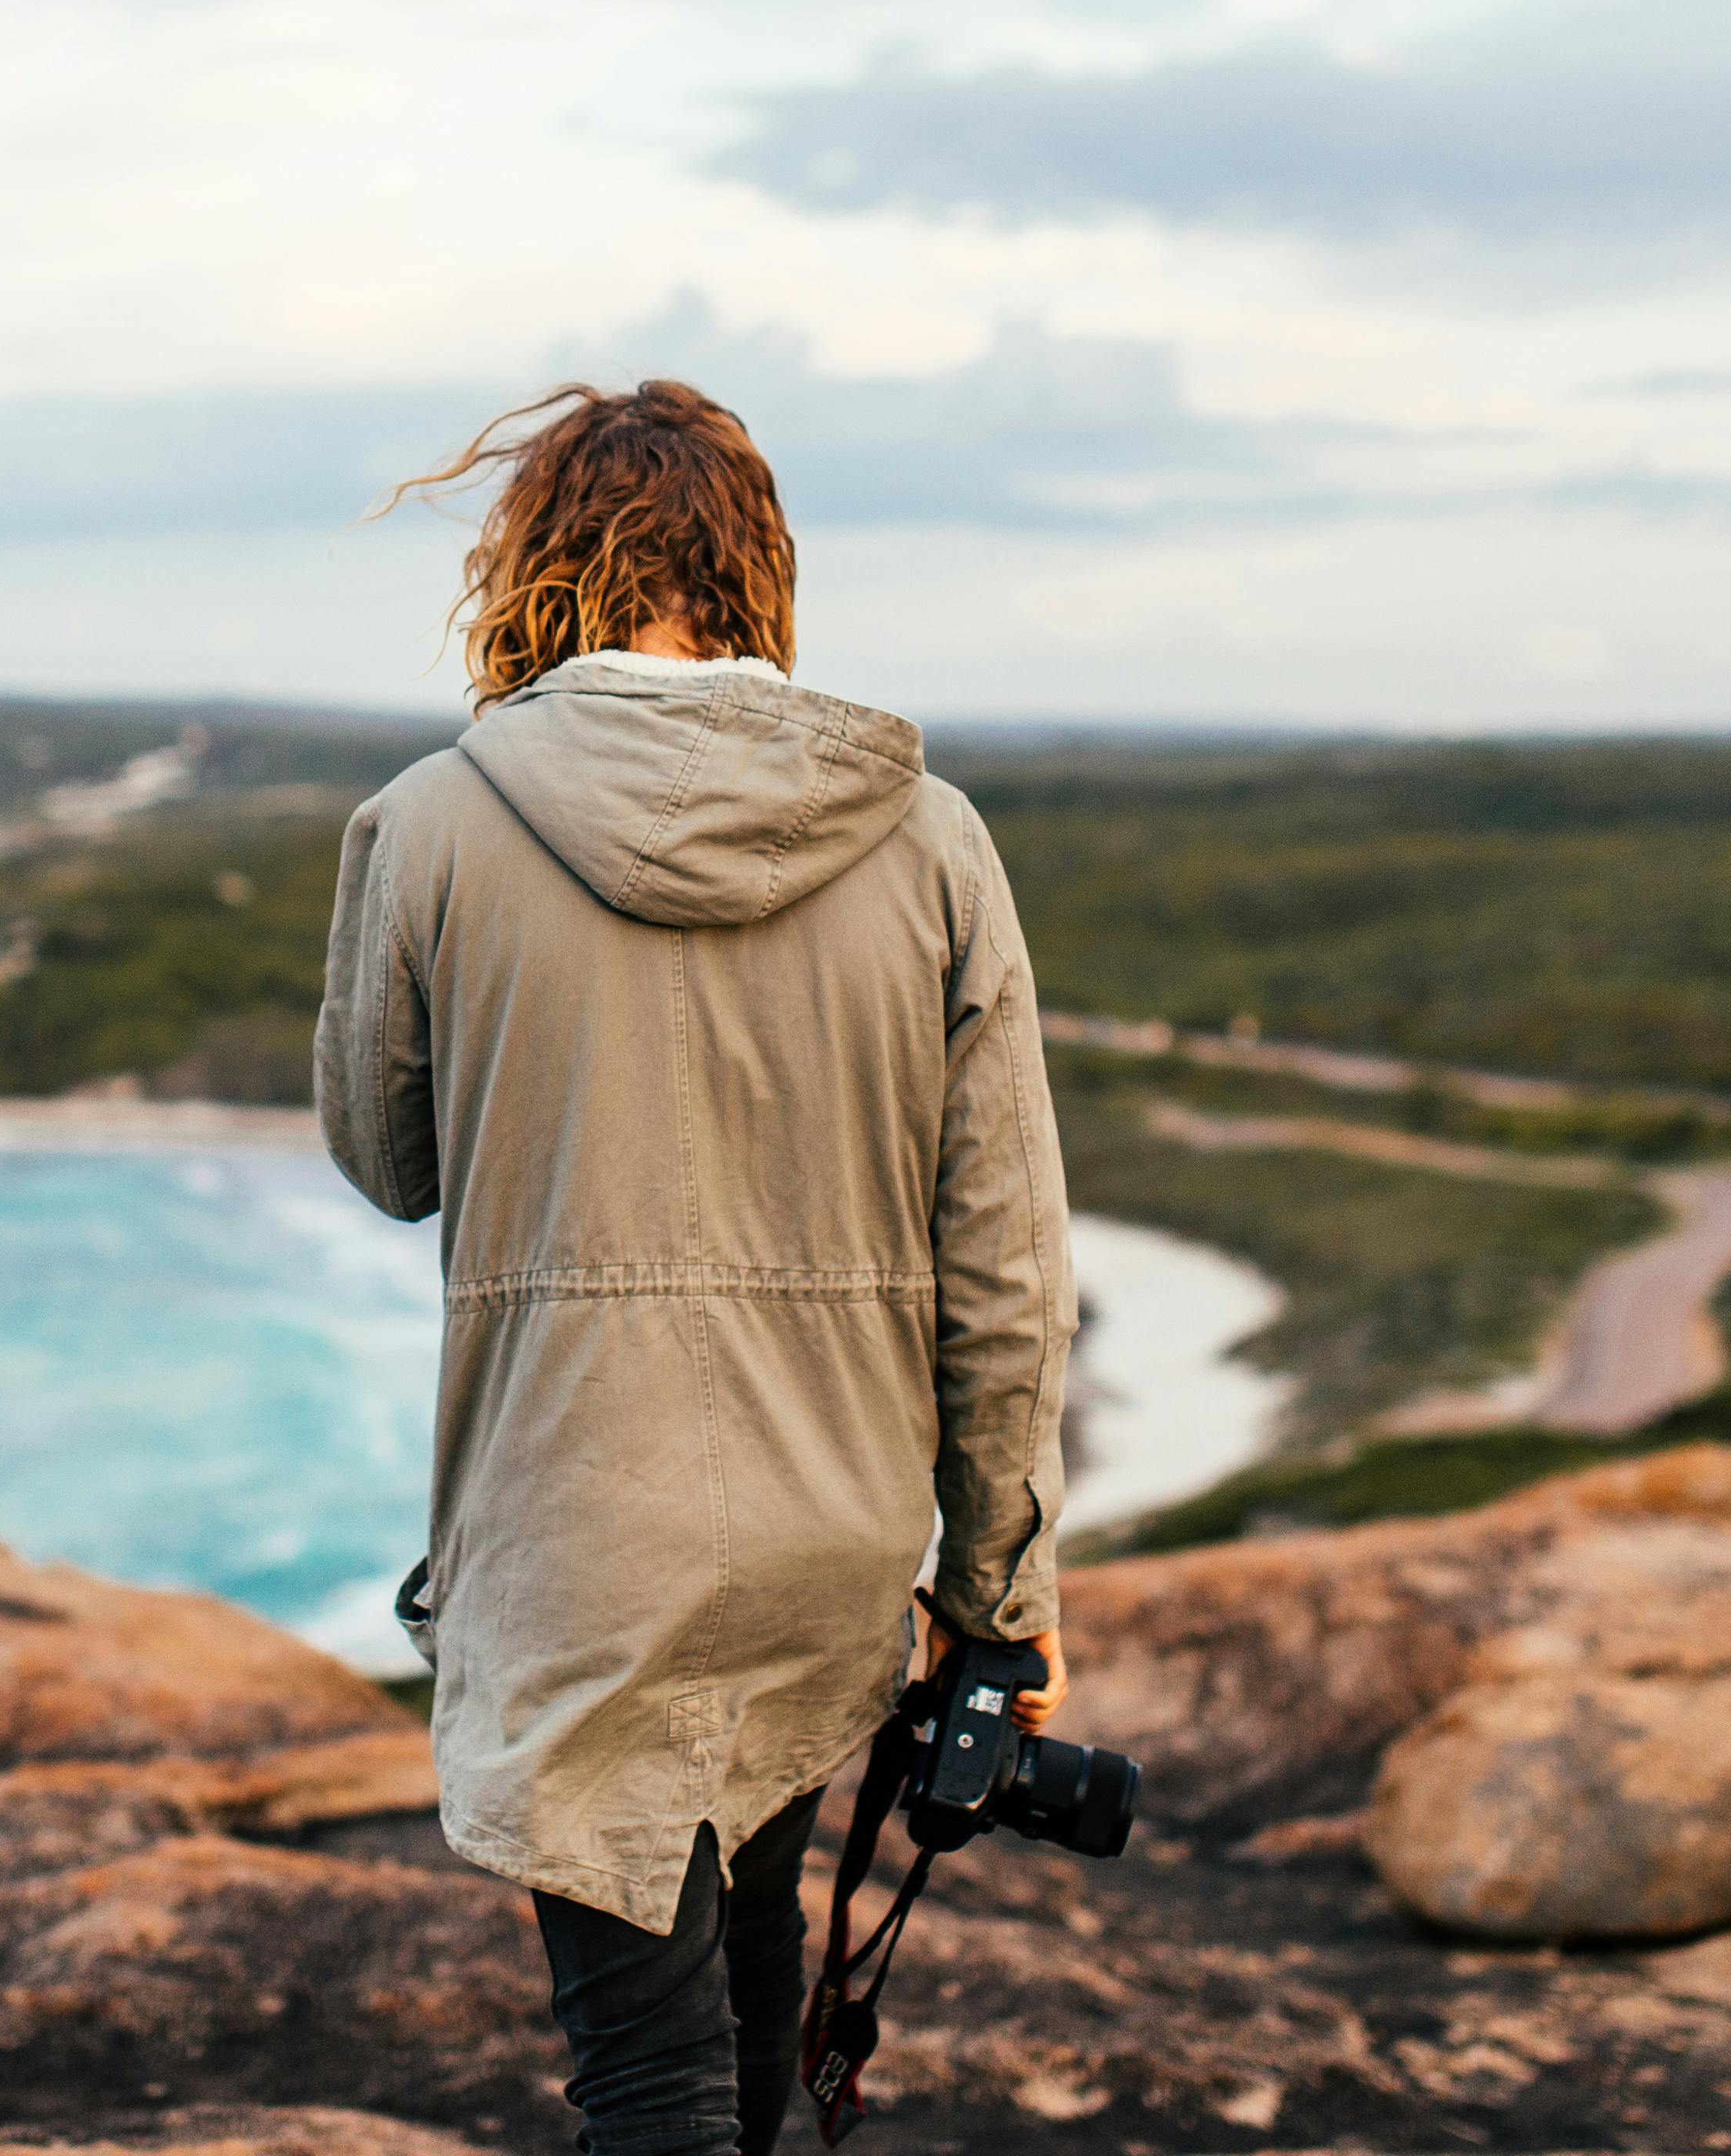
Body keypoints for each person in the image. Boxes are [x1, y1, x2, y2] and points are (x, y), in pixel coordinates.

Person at [317, 377, 1075, 2156]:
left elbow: (389, 1158)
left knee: (647, 2073)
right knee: (745, 2007)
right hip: (828, 1535)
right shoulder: (930, 836)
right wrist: (1003, 1591)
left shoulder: (429, 824)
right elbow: (1007, 1262)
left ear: (537, 569)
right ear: (756, 569)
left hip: (583, 1532)